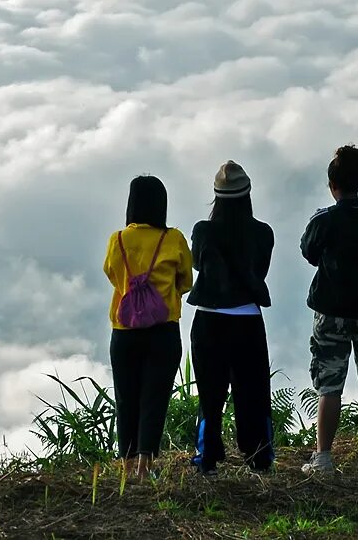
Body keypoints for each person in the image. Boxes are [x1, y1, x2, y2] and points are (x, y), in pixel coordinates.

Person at [300, 145, 358, 474]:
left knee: (329, 384)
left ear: (332, 185)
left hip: (332, 310)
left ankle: (323, 457)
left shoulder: (324, 220)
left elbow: (308, 252)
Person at [187, 161, 276, 475]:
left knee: (210, 395)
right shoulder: (263, 233)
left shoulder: (203, 231)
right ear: (247, 195)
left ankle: (207, 458)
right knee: (252, 393)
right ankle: (260, 458)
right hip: (248, 320)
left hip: (208, 321)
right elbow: (260, 271)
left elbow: (198, 263)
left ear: (217, 197)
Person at [103, 175, 194, 479]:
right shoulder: (174, 239)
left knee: (125, 397)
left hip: (124, 330)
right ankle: (146, 466)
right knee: (154, 398)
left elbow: (112, 274)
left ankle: (126, 467)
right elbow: (186, 282)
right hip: (163, 331)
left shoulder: (117, 239)